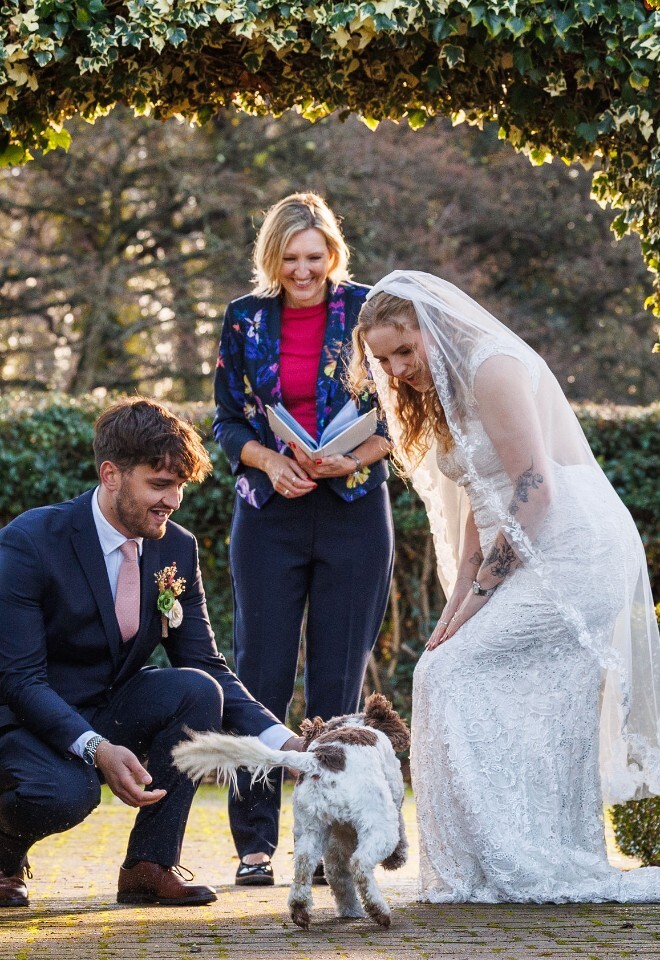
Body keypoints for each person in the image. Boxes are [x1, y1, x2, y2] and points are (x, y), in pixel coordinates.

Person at [349, 269, 660, 903]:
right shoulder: (442, 392)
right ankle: (493, 863)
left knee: (449, 675)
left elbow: (534, 490)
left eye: (406, 350)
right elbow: (476, 515)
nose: (398, 369)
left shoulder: (492, 368)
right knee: (441, 665)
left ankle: (535, 857)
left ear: (433, 326)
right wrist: (455, 609)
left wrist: (484, 598)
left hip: (574, 547)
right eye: (383, 359)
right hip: (522, 542)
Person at [0, 397, 302, 909]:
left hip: (106, 706)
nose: (174, 500)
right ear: (111, 475)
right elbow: (19, 679)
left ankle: (149, 864)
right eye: (160, 485)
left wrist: (284, 742)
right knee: (66, 795)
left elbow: (206, 663)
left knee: (195, 689)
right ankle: (4, 856)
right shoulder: (31, 541)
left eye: (180, 486)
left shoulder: (175, 549)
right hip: (24, 719)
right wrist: (95, 748)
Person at [213, 192, 394, 885]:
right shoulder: (244, 319)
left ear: (333, 254)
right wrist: (270, 459)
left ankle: (327, 848)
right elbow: (228, 420)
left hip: (351, 508)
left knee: (336, 686)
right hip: (269, 513)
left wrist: (355, 456)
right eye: (289, 258)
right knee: (257, 674)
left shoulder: (368, 310)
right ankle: (254, 846)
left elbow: (402, 407)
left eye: (314, 257)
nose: (303, 270)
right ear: (272, 257)